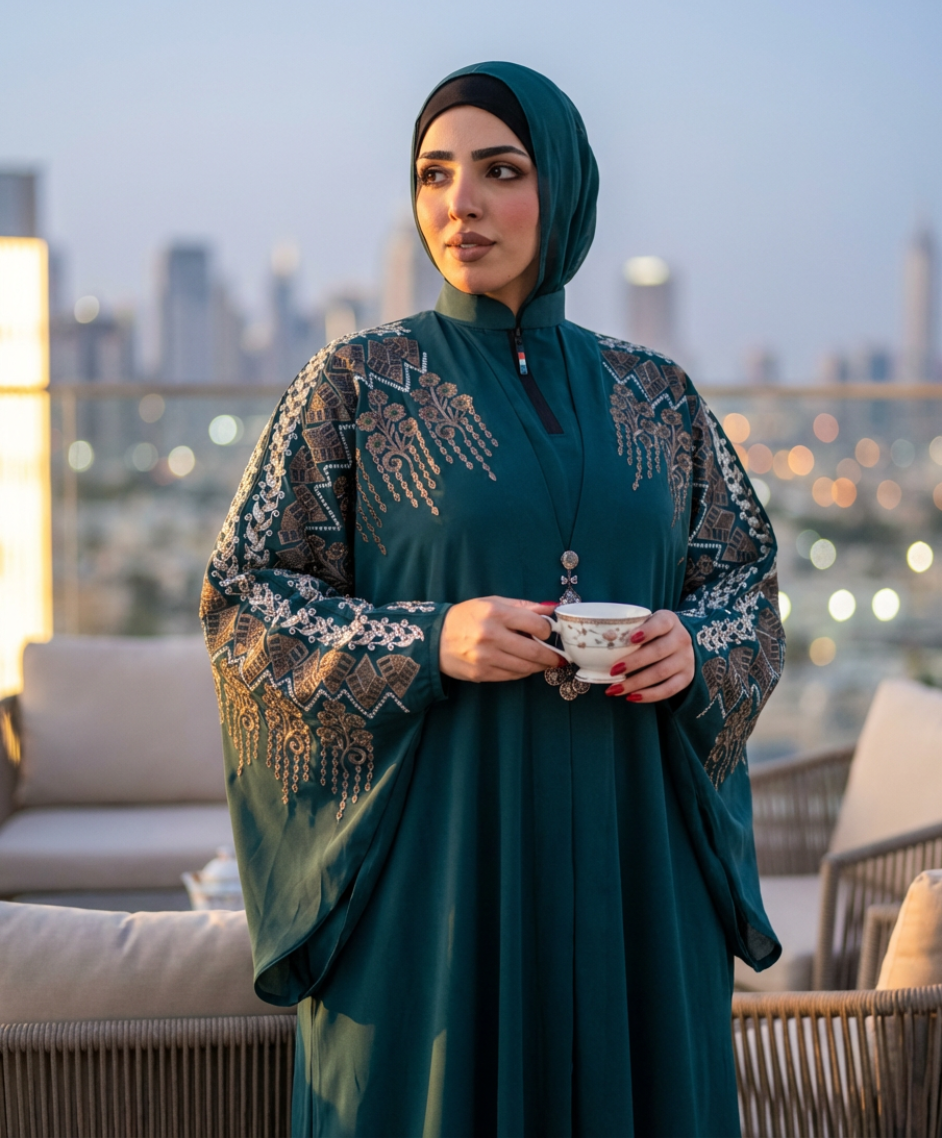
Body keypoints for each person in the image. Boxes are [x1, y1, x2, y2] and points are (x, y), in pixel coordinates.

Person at [200, 61, 784, 1137]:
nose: (458, 203)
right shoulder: (353, 386)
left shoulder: (657, 397)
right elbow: (243, 605)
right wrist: (428, 642)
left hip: (633, 859)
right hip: (437, 870)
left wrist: (695, 648)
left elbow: (745, 585)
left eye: (499, 171)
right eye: (434, 174)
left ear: (562, 187)